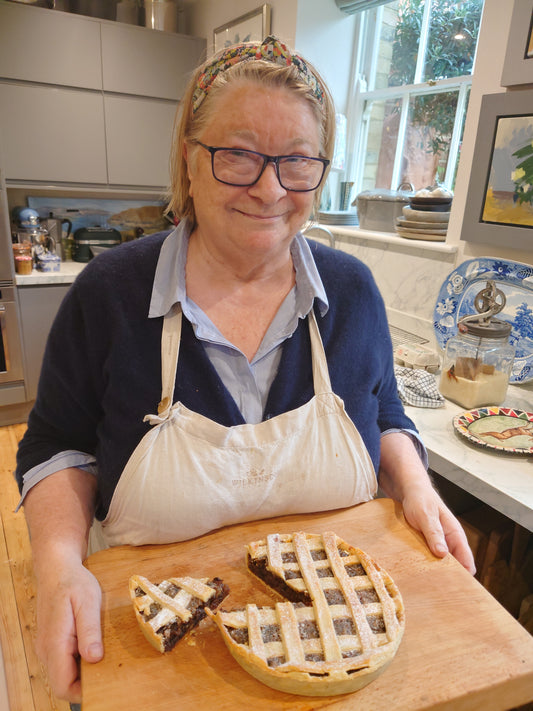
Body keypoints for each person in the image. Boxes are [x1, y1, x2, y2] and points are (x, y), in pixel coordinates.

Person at [15, 36, 475, 704]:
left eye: (296, 161)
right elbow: (56, 443)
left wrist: (413, 485)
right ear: (189, 158)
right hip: (155, 653)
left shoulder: (350, 294)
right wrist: (57, 566)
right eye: (237, 155)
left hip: (343, 658)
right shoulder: (111, 292)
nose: (269, 188)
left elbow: (383, 412)